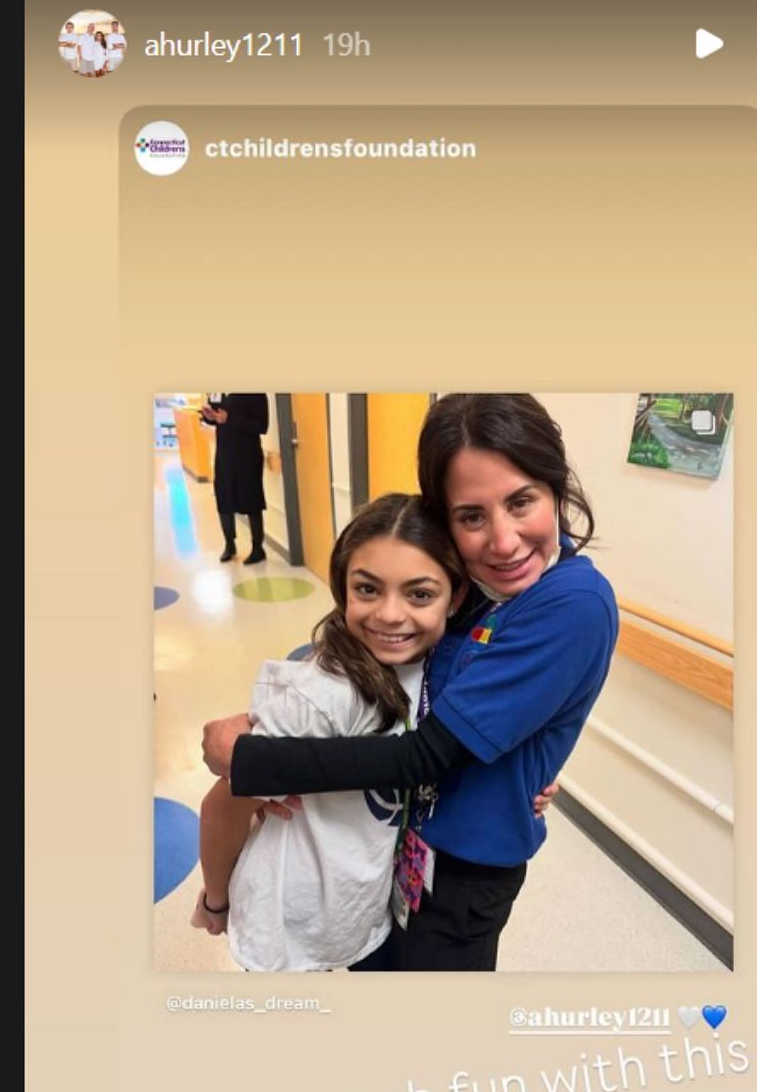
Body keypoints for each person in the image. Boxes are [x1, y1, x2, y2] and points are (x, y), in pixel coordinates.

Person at [202, 394, 619, 971]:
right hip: (397, 845)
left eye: (522, 501)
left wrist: (252, 759)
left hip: (462, 874)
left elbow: (427, 753)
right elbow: (418, 679)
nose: (502, 541)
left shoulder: (571, 603)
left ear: (557, 487)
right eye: (471, 515)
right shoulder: (484, 588)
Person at [192, 494, 464, 972]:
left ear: (455, 597)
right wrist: (216, 900)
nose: (390, 615)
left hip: (364, 911)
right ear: (342, 588)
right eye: (367, 590)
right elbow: (221, 806)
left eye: (419, 594)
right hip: (285, 923)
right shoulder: (326, 694)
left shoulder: (436, 669)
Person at [201, 394, 269, 563]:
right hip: (224, 455)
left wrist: (229, 419)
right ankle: (229, 544)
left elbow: (261, 426)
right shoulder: (218, 390)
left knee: (252, 500)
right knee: (224, 499)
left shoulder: (256, 393)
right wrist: (209, 417)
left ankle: (258, 548)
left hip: (247, 456)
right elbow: (217, 419)